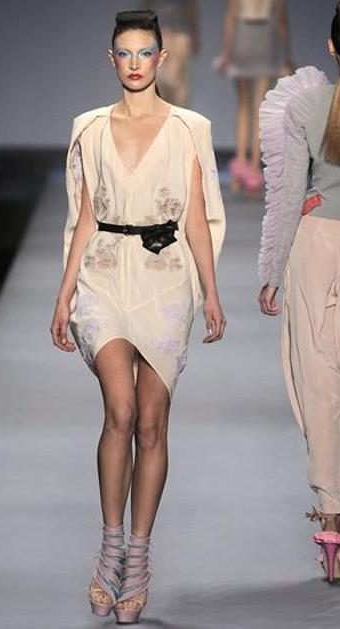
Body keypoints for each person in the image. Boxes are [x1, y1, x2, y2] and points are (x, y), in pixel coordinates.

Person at [50, 9, 226, 623]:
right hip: (103, 273)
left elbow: (197, 215)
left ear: (161, 59)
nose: (134, 63)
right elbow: (84, 215)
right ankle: (109, 551)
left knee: (151, 423)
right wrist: (64, 292)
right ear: (111, 59)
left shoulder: (188, 129)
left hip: (165, 276)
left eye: (144, 53)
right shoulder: (90, 129)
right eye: (123, 53)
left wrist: (210, 292)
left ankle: (139, 557)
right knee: (119, 411)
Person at [258, 1, 340, 584]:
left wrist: (271, 269)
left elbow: (288, 195)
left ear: (333, 47)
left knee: (319, 380)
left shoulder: (307, 104)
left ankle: (332, 522)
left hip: (318, 245)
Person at [215, 0, 293, 197]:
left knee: (243, 104)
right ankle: (253, 170)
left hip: (242, 39)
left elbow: (231, 17)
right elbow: (281, 22)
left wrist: (226, 55)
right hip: (265, 41)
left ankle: (241, 165)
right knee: (260, 107)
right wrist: (286, 56)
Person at [141, 0, 201, 107]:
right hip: (159, 32)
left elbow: (189, 6)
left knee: (178, 84)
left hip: (179, 34)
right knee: (158, 81)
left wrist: (194, 33)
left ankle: (178, 114)